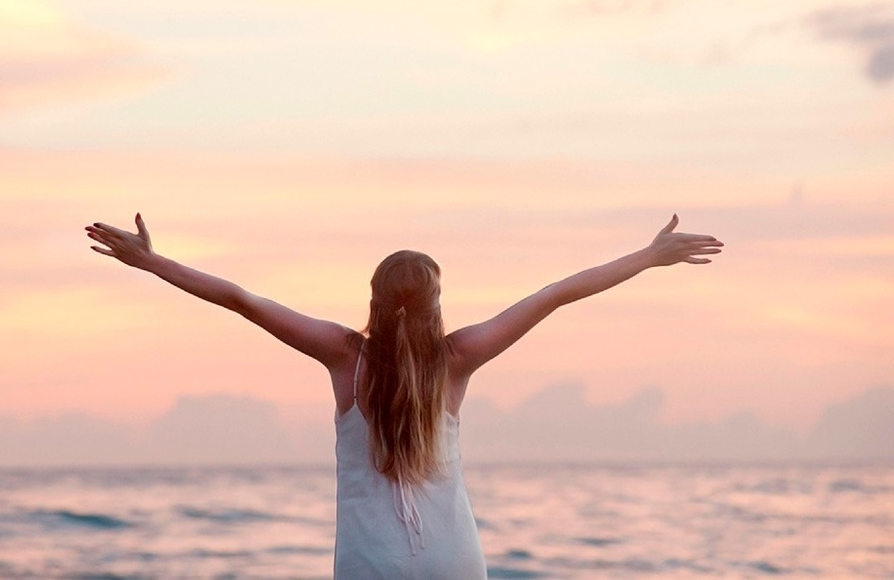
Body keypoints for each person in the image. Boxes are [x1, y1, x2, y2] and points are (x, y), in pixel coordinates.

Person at [85, 213, 722, 579]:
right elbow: (556, 293)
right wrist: (647, 256)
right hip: (452, 558)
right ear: (436, 302)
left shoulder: (343, 356)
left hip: (370, 561)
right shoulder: (459, 358)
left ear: (374, 297)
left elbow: (241, 299)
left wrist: (152, 263)